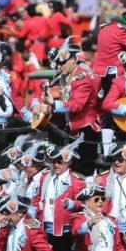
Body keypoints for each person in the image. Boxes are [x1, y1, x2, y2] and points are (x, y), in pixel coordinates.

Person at [30, 139, 86, 251]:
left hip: (66, 229)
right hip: (46, 228)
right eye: (53, 161)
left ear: (68, 162)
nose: (56, 165)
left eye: (60, 161)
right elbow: (36, 198)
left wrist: (72, 204)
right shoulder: (46, 178)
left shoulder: (76, 180)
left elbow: (84, 204)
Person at [39, 39, 102, 174]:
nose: (59, 66)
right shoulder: (67, 75)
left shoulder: (82, 78)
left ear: (73, 59)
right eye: (58, 63)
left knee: (83, 170)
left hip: (85, 130)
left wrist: (53, 104)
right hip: (73, 128)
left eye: (62, 63)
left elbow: (76, 105)